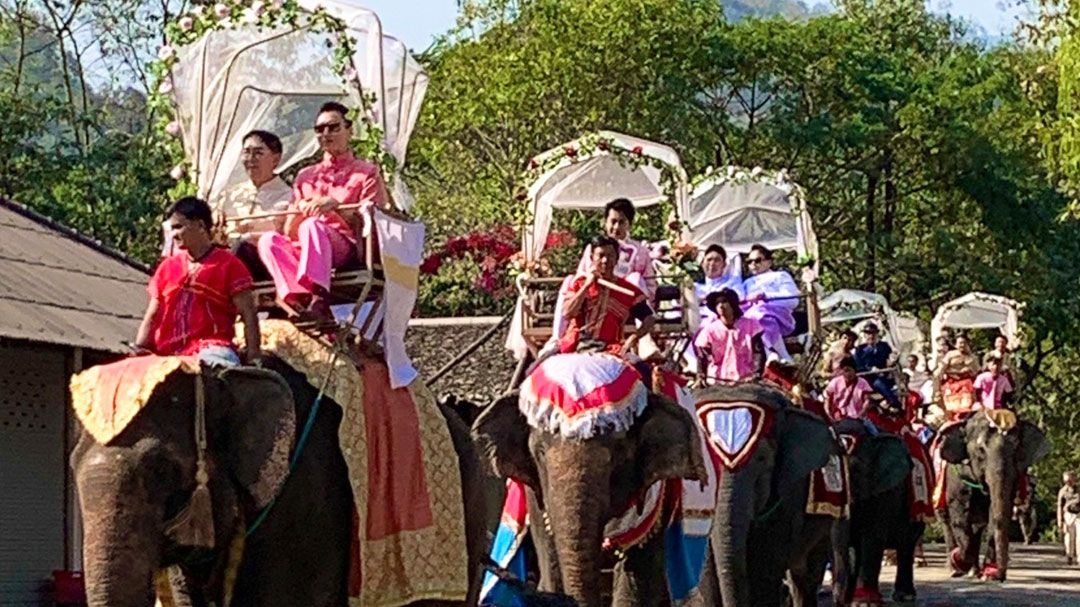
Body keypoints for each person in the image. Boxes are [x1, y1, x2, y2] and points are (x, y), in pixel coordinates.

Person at [258, 101, 388, 321]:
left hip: (345, 246)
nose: (325, 133)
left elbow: (373, 224)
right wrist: (299, 210)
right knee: (268, 240)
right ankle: (297, 299)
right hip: (307, 245)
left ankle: (319, 298)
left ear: (350, 131)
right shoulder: (305, 176)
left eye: (333, 127)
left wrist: (335, 208)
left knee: (313, 225)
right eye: (319, 129)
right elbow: (290, 232)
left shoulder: (366, 173)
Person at [135, 197, 261, 367]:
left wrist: (254, 359)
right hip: (167, 354)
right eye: (171, 229)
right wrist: (139, 349)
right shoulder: (167, 267)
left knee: (215, 372)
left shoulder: (230, 265)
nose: (173, 235)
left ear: (201, 226)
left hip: (212, 350)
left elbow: (249, 315)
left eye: (179, 227)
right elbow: (152, 315)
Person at [212, 130, 292, 280]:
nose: (251, 159)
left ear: (276, 158)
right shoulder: (230, 195)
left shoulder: (288, 196)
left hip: (264, 263)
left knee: (242, 247)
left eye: (258, 153)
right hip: (227, 258)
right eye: (246, 152)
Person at [559, 234, 656, 356]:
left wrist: (635, 337)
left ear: (617, 258)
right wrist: (586, 286)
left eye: (610, 256)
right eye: (600, 256)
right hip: (577, 347)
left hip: (611, 350)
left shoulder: (627, 290)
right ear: (592, 258)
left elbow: (649, 318)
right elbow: (567, 313)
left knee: (644, 372)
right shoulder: (580, 284)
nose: (605, 260)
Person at [576, 198, 656, 301]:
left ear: (630, 224)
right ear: (605, 222)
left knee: (635, 278)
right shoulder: (593, 248)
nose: (616, 227)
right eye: (613, 221)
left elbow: (650, 285)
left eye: (621, 222)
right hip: (595, 301)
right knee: (568, 282)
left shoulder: (640, 252)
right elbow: (580, 276)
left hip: (627, 305)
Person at [741, 244, 801, 364]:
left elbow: (793, 300)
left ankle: (778, 353)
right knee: (752, 316)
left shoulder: (780, 276)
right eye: (749, 261)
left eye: (757, 260)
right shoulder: (746, 283)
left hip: (779, 314)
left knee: (759, 313)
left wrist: (766, 296)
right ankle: (775, 355)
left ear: (769, 262)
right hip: (752, 317)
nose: (753, 264)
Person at [694, 288, 764, 383]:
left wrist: (757, 374)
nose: (721, 306)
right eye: (717, 303)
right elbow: (702, 356)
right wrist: (701, 377)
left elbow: (758, 352)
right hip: (717, 379)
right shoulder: (710, 330)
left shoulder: (750, 325)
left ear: (733, 304)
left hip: (747, 378)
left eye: (724, 301)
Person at [853, 323, 901, 409]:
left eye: (873, 333)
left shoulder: (884, 346)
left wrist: (892, 360)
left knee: (898, 382)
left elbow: (889, 359)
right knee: (879, 383)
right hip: (869, 378)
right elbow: (858, 365)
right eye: (868, 333)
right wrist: (871, 369)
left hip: (886, 375)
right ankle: (895, 404)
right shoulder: (860, 349)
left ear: (876, 334)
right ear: (864, 335)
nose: (871, 336)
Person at [935, 333, 981, 419]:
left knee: (968, 389)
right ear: (956, 344)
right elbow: (942, 369)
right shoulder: (950, 355)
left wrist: (968, 371)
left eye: (964, 343)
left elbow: (977, 371)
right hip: (951, 382)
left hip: (967, 383)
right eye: (960, 343)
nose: (962, 345)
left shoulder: (972, 357)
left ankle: (965, 415)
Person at [694, 244, 744, 321]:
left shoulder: (732, 283)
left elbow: (740, 298)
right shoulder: (694, 287)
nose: (712, 263)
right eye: (709, 259)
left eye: (717, 260)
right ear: (702, 264)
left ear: (724, 265)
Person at [824, 357, 874, 421]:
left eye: (849, 370)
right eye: (845, 371)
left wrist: (860, 415)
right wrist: (828, 413)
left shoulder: (862, 382)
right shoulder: (835, 382)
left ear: (854, 370)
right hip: (838, 417)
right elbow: (827, 399)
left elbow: (867, 401)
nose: (847, 374)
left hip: (857, 417)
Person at [1058, 472, 1080, 565]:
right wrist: (1060, 520)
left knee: (1079, 538)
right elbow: (1059, 505)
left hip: (1079, 514)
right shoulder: (1063, 491)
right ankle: (1069, 555)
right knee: (1069, 537)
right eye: (1066, 481)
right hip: (1068, 515)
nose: (1068, 482)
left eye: (1070, 480)